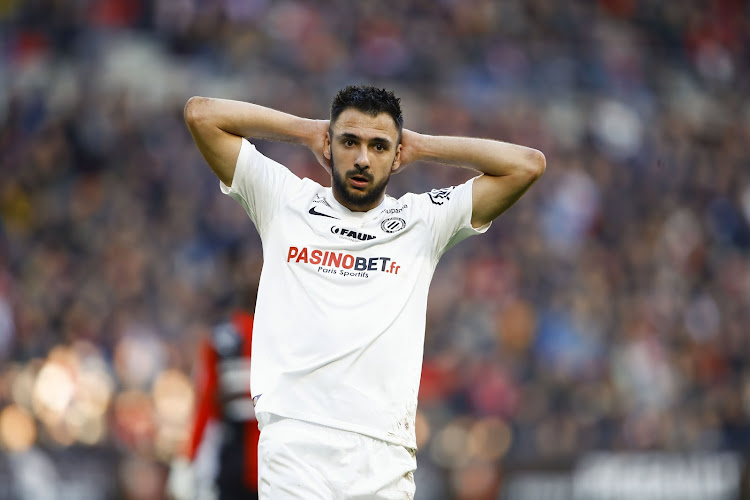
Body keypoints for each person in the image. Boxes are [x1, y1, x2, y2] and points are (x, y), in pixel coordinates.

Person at [183, 85, 545, 499]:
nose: (361, 158)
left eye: (379, 146)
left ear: (396, 155)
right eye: (349, 141)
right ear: (330, 144)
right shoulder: (285, 200)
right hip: (295, 446)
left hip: (383, 455)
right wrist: (305, 130)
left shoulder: (422, 219)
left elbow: (527, 165)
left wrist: (422, 146)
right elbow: (201, 114)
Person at [167, 310, 259, 500]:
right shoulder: (224, 338)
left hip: (268, 459)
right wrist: (189, 458)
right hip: (239, 461)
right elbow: (207, 405)